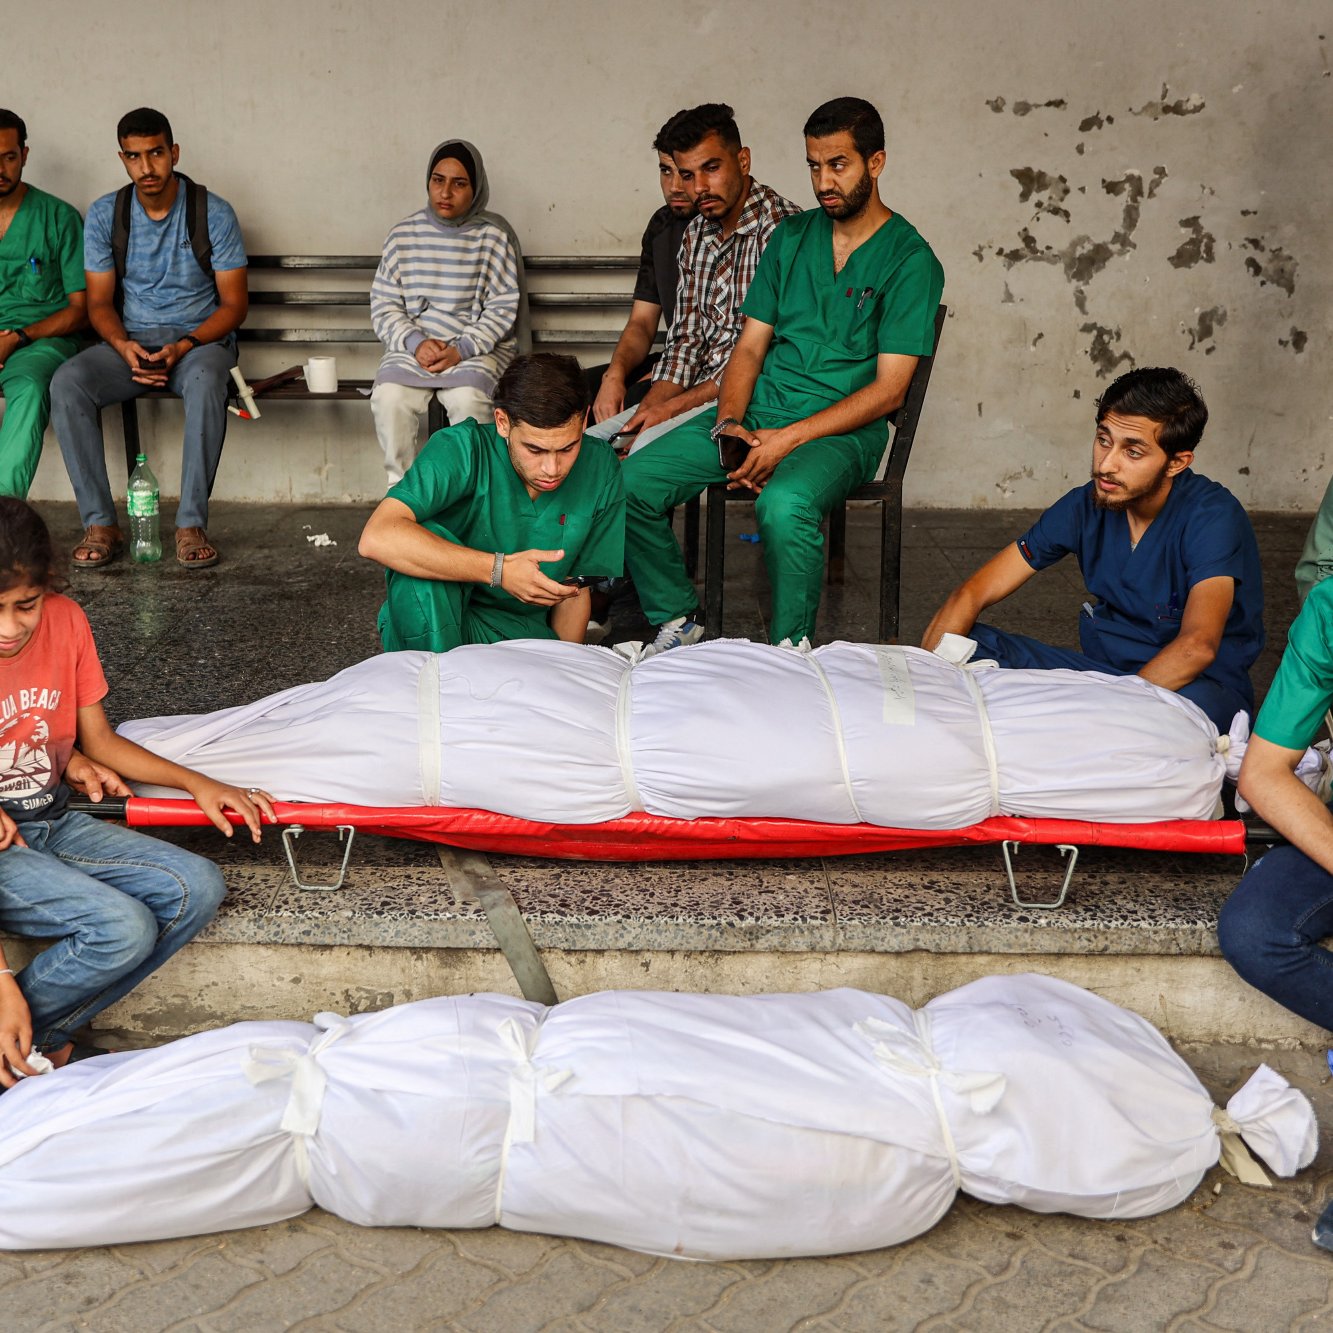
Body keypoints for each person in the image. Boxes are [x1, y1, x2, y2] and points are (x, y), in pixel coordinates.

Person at [623, 96, 944, 654]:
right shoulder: (792, 238)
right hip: (760, 411)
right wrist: (729, 424)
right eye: (814, 166)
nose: (824, 181)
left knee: (784, 505)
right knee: (629, 483)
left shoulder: (911, 260)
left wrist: (786, 442)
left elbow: (890, 391)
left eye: (838, 164)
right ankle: (678, 616)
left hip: (843, 432)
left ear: (876, 162)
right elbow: (748, 350)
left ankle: (789, 652)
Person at [0, 497, 273, 1087]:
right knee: (121, 926)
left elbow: (97, 737)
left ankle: (30, 1038)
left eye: (25, 605)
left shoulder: (67, 620)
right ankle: (19, 1039)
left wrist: (196, 782)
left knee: (196, 886)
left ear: (46, 584)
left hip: (48, 819)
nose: (10, 627)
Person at [923, 367, 1263, 732]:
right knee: (967, 642)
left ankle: (1081, 725)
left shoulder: (1211, 516)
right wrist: (926, 676)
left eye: (1132, 452)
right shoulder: (1086, 505)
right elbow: (973, 592)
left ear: (1176, 463)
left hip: (1192, 687)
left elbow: (1197, 646)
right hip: (1104, 678)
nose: (1106, 464)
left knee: (1187, 723)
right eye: (1104, 440)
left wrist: (1108, 712)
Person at [50, 107, 248, 570]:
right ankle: (101, 523)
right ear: (122, 158)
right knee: (67, 382)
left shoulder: (211, 212)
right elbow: (98, 303)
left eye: (156, 153)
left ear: (173, 152)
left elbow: (234, 305)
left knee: (205, 382)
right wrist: (123, 347)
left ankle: (190, 524)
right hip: (132, 345)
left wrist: (184, 345)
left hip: (199, 346)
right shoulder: (106, 214)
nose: (147, 167)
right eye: (135, 157)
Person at [359, 353, 624, 652]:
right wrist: (498, 570)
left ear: (585, 420)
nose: (552, 469)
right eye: (534, 450)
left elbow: (574, 590)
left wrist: (565, 669)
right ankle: (437, 687)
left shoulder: (600, 466)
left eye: (567, 448)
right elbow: (377, 537)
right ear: (502, 422)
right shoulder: (461, 449)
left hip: (522, 634)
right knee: (424, 546)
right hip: (438, 621)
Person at [588, 103, 800, 457]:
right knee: (594, 452)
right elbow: (685, 345)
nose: (698, 187)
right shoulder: (695, 234)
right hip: (695, 400)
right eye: (686, 175)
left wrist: (671, 409)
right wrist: (645, 415)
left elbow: (763, 358)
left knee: (637, 465)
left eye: (711, 168)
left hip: (754, 405)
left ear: (743, 161)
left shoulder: (784, 232)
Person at [369, 139, 526, 485]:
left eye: (459, 183)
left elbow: (502, 307)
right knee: (389, 397)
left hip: (474, 349)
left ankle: (471, 493)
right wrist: (415, 342)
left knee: (470, 400)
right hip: (415, 349)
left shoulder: (493, 237)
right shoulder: (403, 236)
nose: (445, 192)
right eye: (438, 180)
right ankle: (403, 495)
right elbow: (384, 303)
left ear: (477, 187)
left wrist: (461, 349)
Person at [587, 111, 696, 424]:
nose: (675, 186)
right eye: (665, 171)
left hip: (706, 370)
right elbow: (642, 323)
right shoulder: (662, 226)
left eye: (684, 173)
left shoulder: (718, 227)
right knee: (575, 390)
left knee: (634, 403)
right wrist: (614, 375)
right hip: (673, 360)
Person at [0, 110, 87, 500]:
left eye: (8, 156)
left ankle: (3, 510)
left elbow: (79, 309)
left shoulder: (59, 218)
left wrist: (18, 337)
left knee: (32, 387)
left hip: (39, 342)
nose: (0, 168)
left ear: (24, 154)